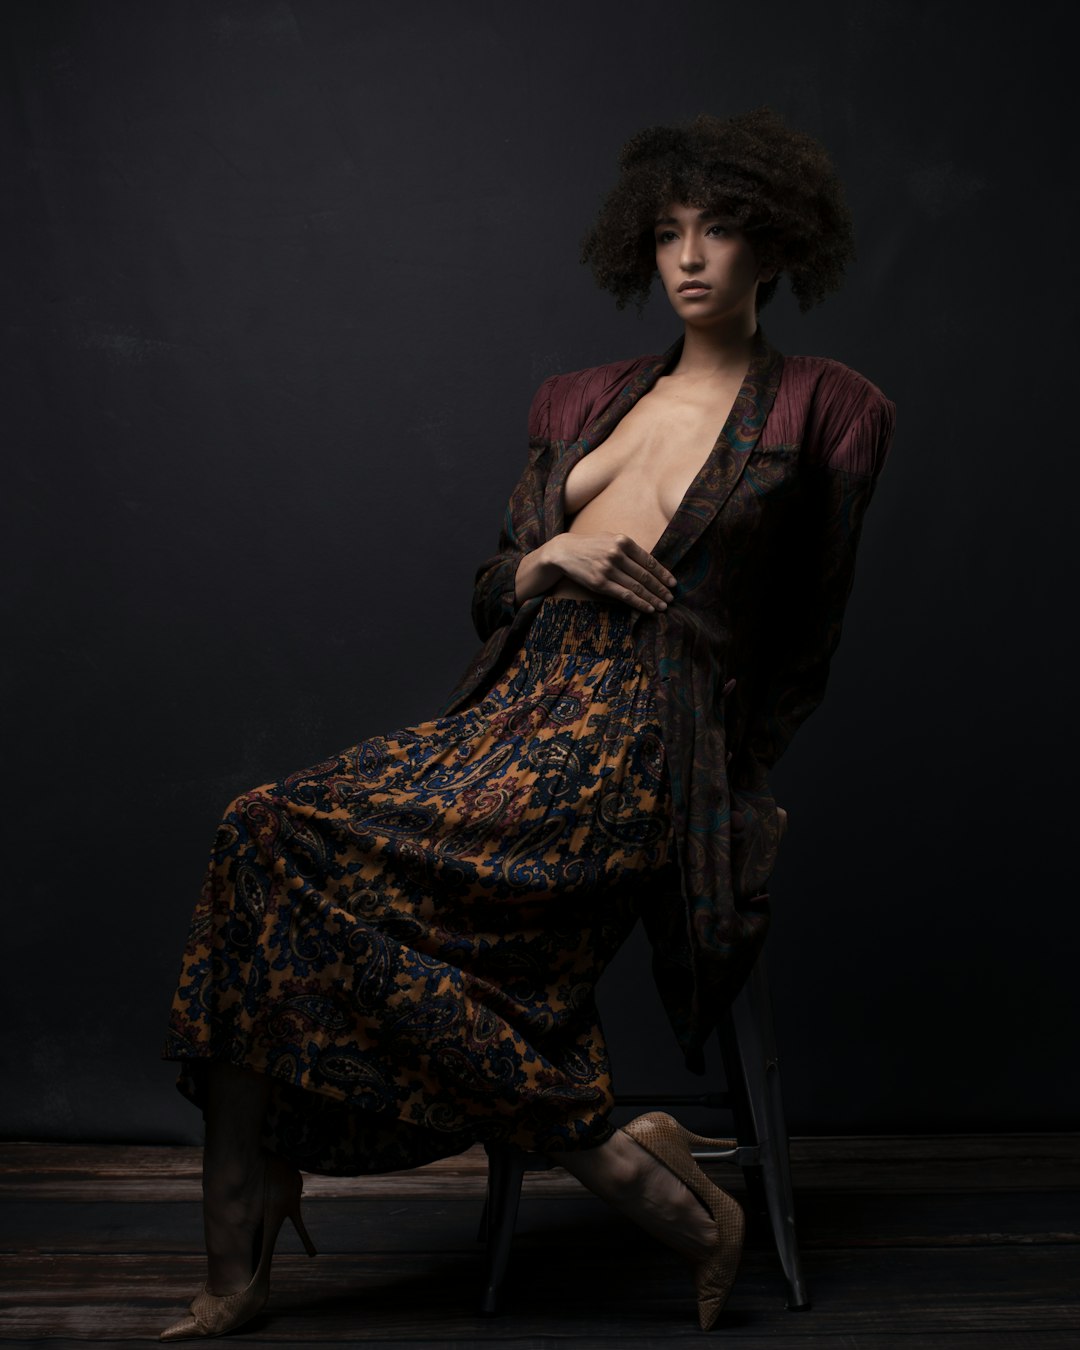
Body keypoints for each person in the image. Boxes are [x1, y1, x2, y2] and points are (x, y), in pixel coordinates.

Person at [159, 107, 896, 1340]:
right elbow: (492, 587)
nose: (690, 257)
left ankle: (581, 1150)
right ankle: (549, 1148)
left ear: (776, 244)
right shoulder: (585, 399)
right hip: (511, 717)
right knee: (262, 834)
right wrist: (554, 556)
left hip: (639, 748)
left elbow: (806, 643)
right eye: (667, 234)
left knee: (305, 861)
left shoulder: (829, 410)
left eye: (719, 231)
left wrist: (727, 784)